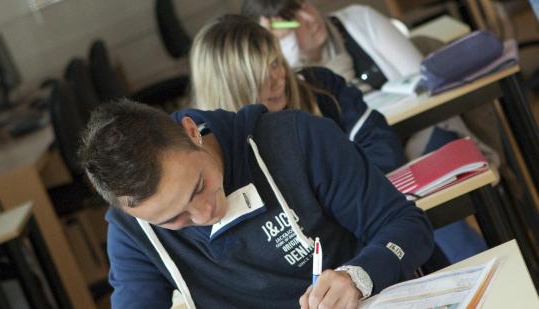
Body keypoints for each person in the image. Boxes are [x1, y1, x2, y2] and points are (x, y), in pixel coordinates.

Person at [79, 99, 434, 308]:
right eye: (175, 219)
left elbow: (406, 225)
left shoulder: (295, 139)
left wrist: (359, 276)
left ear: (191, 132)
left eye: (199, 187)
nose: (205, 214)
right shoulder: (131, 233)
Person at [242, 0, 493, 263]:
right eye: (291, 20)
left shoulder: (359, 22)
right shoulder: (288, 83)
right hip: (374, 166)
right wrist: (287, 56)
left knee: (435, 224)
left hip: (420, 136)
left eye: (305, 4)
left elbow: (427, 82)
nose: (309, 18)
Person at [190, 14, 404, 173]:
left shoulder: (320, 86)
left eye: (275, 63)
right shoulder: (216, 149)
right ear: (227, 89)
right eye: (258, 77)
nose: (277, 79)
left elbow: (384, 149)